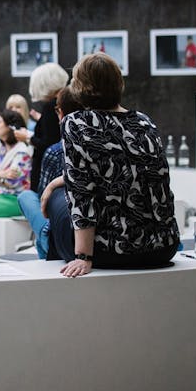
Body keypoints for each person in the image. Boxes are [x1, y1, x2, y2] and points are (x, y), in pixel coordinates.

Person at [42, 53, 178, 277]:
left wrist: (84, 257)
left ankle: (52, 263)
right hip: (164, 247)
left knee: (58, 195)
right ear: (119, 83)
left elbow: (81, 191)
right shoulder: (144, 121)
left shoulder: (76, 123)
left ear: (80, 87)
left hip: (110, 251)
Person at [17, 87, 82, 259]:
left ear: (60, 113)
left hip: (67, 233)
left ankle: (46, 240)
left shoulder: (55, 152)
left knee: (26, 197)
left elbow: (42, 201)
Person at [25, 62, 69, 189]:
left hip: (48, 173)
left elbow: (49, 143)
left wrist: (28, 138)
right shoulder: (66, 102)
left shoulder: (51, 107)